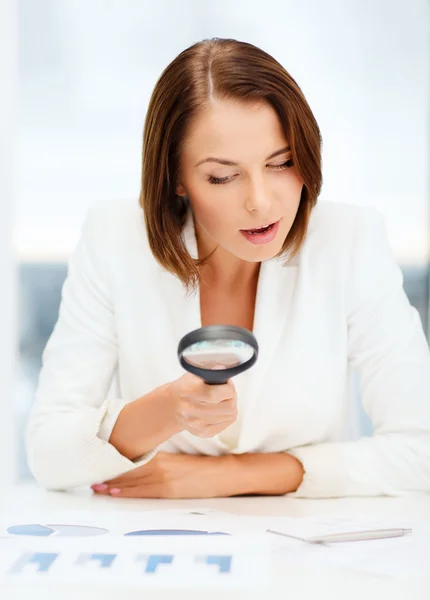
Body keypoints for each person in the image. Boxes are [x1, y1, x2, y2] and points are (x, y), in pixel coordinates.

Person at [26, 38, 430, 499]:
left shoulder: (350, 239)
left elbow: (421, 452)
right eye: (222, 176)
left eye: (282, 163)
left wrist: (230, 476)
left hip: (307, 555)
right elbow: (48, 452)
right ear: (175, 176)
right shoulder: (114, 237)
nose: (260, 201)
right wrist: (165, 411)